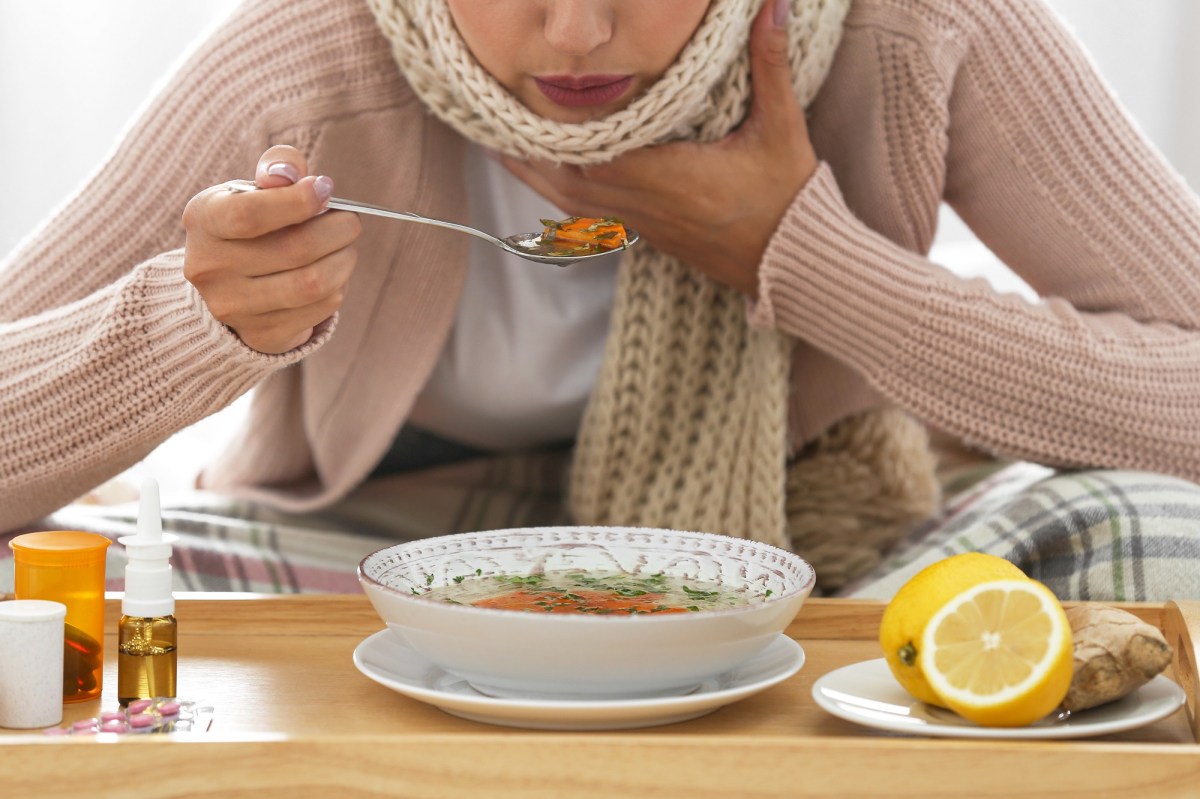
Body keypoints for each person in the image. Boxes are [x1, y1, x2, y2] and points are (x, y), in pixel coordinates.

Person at [2, 0, 1199, 601]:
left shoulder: (911, 28)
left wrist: (808, 257)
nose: (577, 32)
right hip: (382, 549)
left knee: (1162, 534)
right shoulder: (307, 60)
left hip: (817, 541)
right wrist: (188, 322)